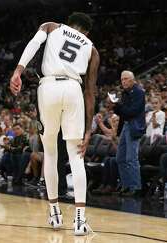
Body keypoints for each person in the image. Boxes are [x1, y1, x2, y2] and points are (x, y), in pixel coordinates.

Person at [9, 12, 99, 235]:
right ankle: (79, 220)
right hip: (73, 90)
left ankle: (55, 214)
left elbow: (33, 45)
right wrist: (88, 129)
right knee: (76, 155)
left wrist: (18, 71)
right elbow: (90, 92)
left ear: (70, 23)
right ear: (86, 31)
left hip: (48, 86)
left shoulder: (51, 27)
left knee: (50, 153)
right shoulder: (92, 48)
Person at [108, 70, 146, 196]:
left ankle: (136, 187)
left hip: (134, 126)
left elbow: (132, 111)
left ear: (132, 79)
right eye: (122, 79)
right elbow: (123, 113)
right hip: (125, 125)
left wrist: (118, 106)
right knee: (120, 158)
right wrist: (116, 106)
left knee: (131, 158)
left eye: (126, 79)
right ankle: (126, 185)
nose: (123, 81)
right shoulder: (125, 93)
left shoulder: (139, 92)